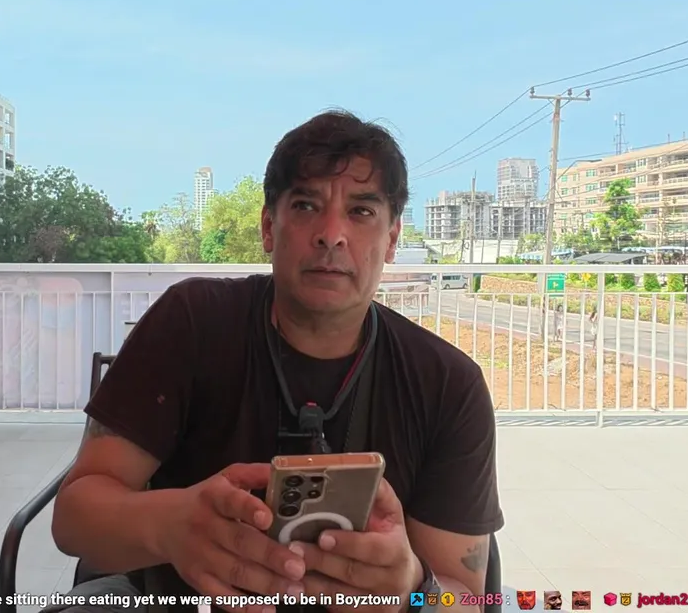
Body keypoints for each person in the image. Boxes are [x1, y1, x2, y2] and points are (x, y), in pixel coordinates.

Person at [47, 111, 503, 613]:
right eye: (306, 205)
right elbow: (74, 519)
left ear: (392, 238)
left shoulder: (448, 384)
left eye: (361, 211)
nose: (332, 234)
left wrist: (415, 590)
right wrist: (171, 525)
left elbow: (468, 597)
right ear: (269, 226)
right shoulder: (190, 322)